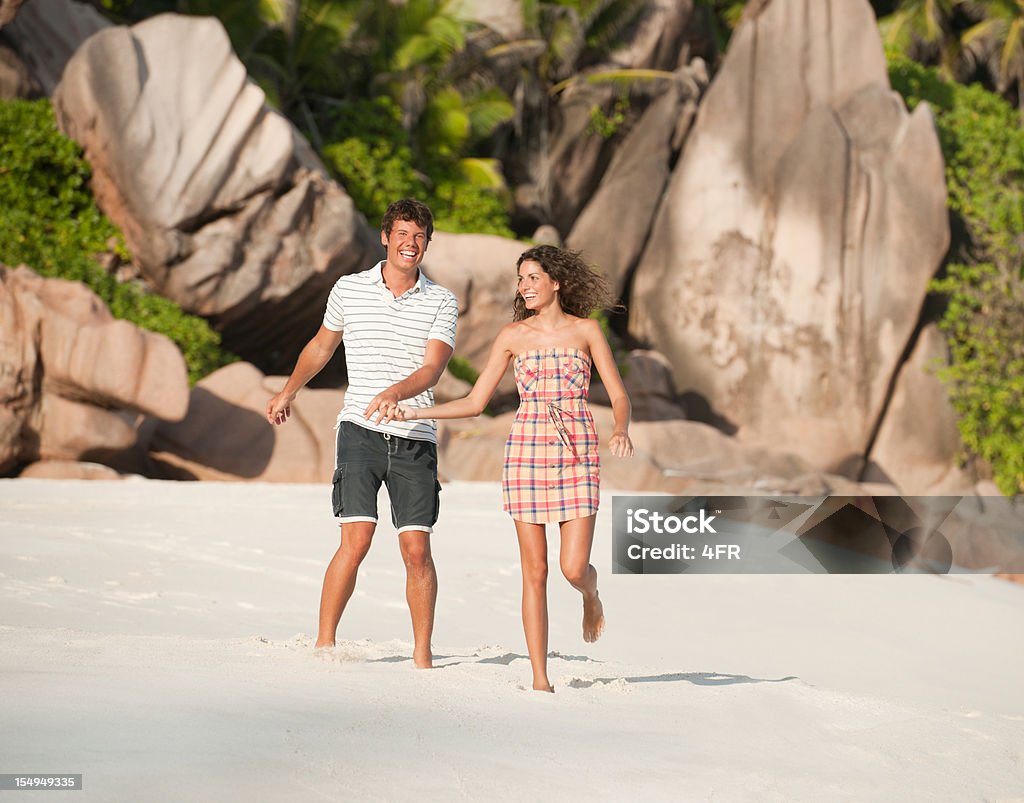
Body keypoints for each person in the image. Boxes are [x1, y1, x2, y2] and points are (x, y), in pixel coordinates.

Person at [388, 245, 633, 691]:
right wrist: (413, 412)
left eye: (533, 277)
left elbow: (618, 393)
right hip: (526, 451)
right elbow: (475, 403)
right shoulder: (512, 337)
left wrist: (620, 428)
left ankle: (591, 596)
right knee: (534, 571)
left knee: (573, 567)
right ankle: (540, 677)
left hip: (577, 450)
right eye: (521, 278)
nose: (525, 286)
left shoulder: (586, 332)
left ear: (556, 282)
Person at [265, 198, 457, 669]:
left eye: (420, 237)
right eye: (403, 234)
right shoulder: (349, 289)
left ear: (427, 244)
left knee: (416, 549)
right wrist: (289, 391)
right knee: (357, 539)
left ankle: (422, 655)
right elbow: (321, 346)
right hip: (358, 430)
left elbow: (433, 368)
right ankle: (325, 643)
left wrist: (397, 391)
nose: (411, 244)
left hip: (415, 435)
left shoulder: (441, 300)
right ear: (385, 237)